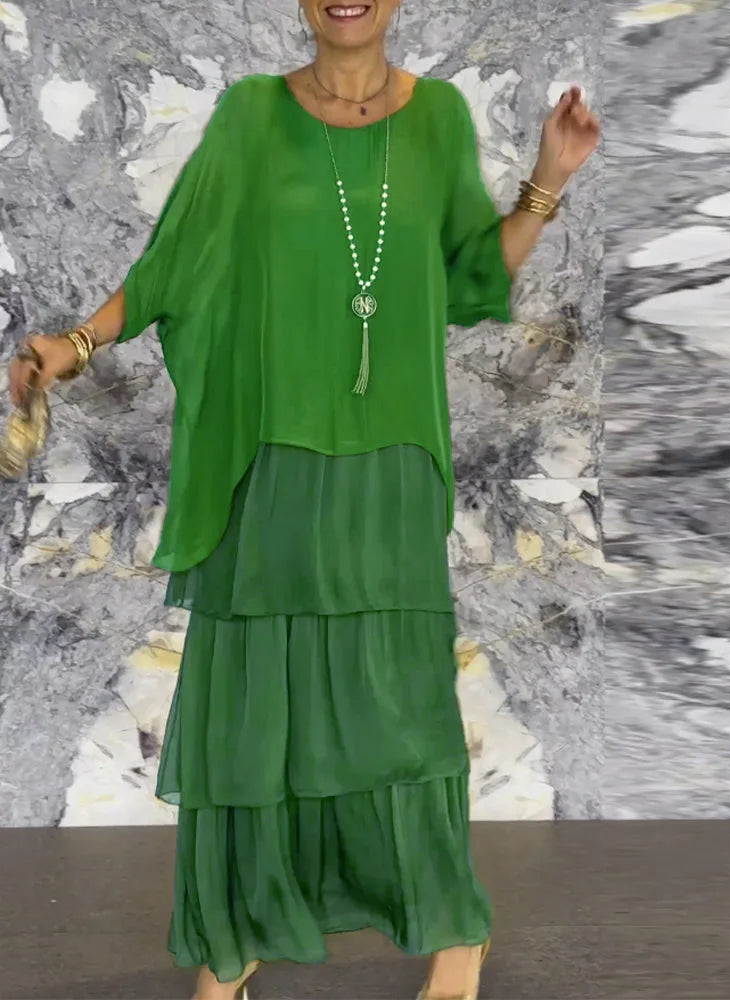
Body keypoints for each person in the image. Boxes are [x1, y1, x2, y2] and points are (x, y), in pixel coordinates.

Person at [8, 2, 599, 997]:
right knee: (253, 703)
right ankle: (235, 934)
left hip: (390, 460)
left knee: (398, 702)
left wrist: (549, 177)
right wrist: (70, 346)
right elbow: (171, 266)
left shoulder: (437, 118)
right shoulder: (250, 115)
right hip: (266, 456)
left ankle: (452, 930)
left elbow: (468, 275)